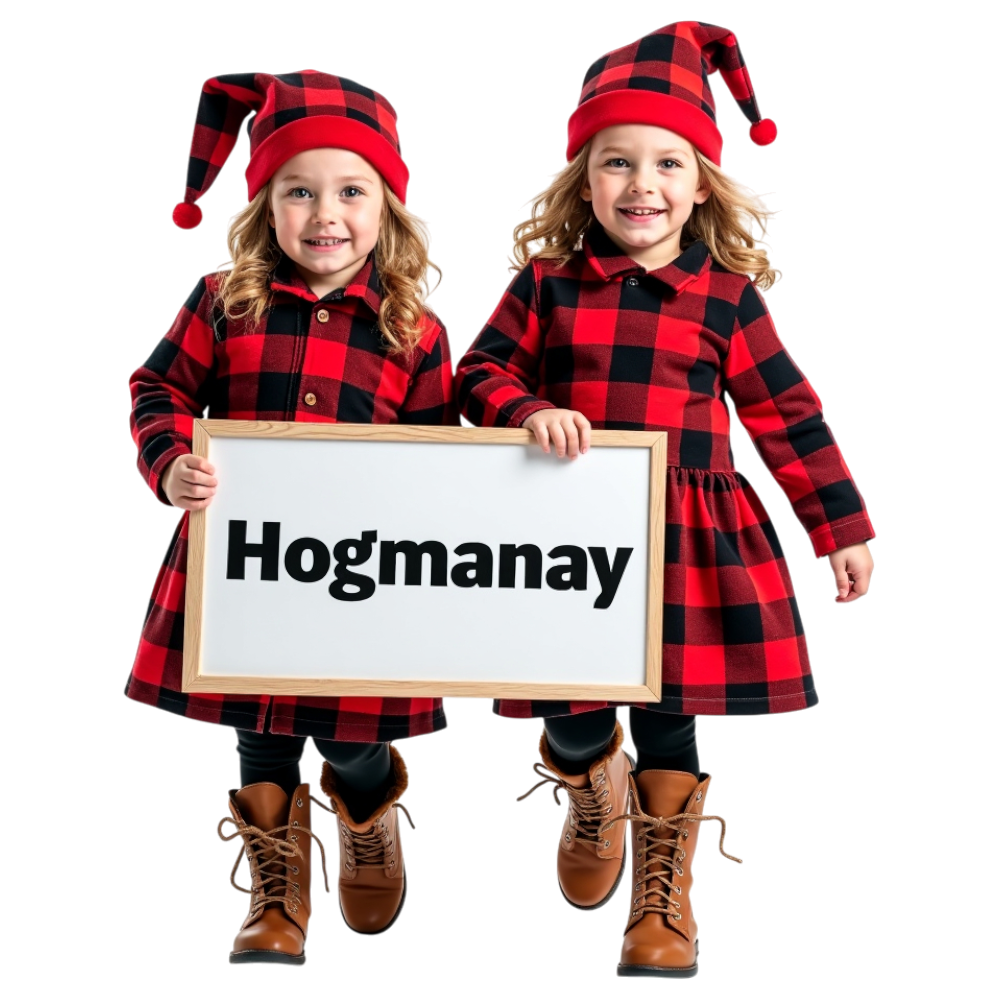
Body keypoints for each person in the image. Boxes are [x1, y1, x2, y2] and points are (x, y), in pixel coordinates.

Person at [453, 22, 875, 979]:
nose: (641, 185)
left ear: (701, 184)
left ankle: (665, 890)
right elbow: (476, 372)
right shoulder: (546, 285)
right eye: (615, 163)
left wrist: (839, 528)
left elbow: (787, 417)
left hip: (685, 535)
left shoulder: (728, 298)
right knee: (570, 707)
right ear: (582, 183)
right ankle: (590, 783)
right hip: (562, 542)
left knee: (668, 713)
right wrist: (529, 408)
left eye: (666, 164)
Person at [127, 71, 455, 965]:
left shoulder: (414, 331)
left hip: (361, 579)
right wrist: (169, 463)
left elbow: (441, 456)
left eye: (351, 191)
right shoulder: (222, 299)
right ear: (263, 209)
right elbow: (156, 388)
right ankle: (277, 895)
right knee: (261, 726)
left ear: (386, 209)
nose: (325, 215)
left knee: (352, 733)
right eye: (297, 191)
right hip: (247, 566)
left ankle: (367, 810)